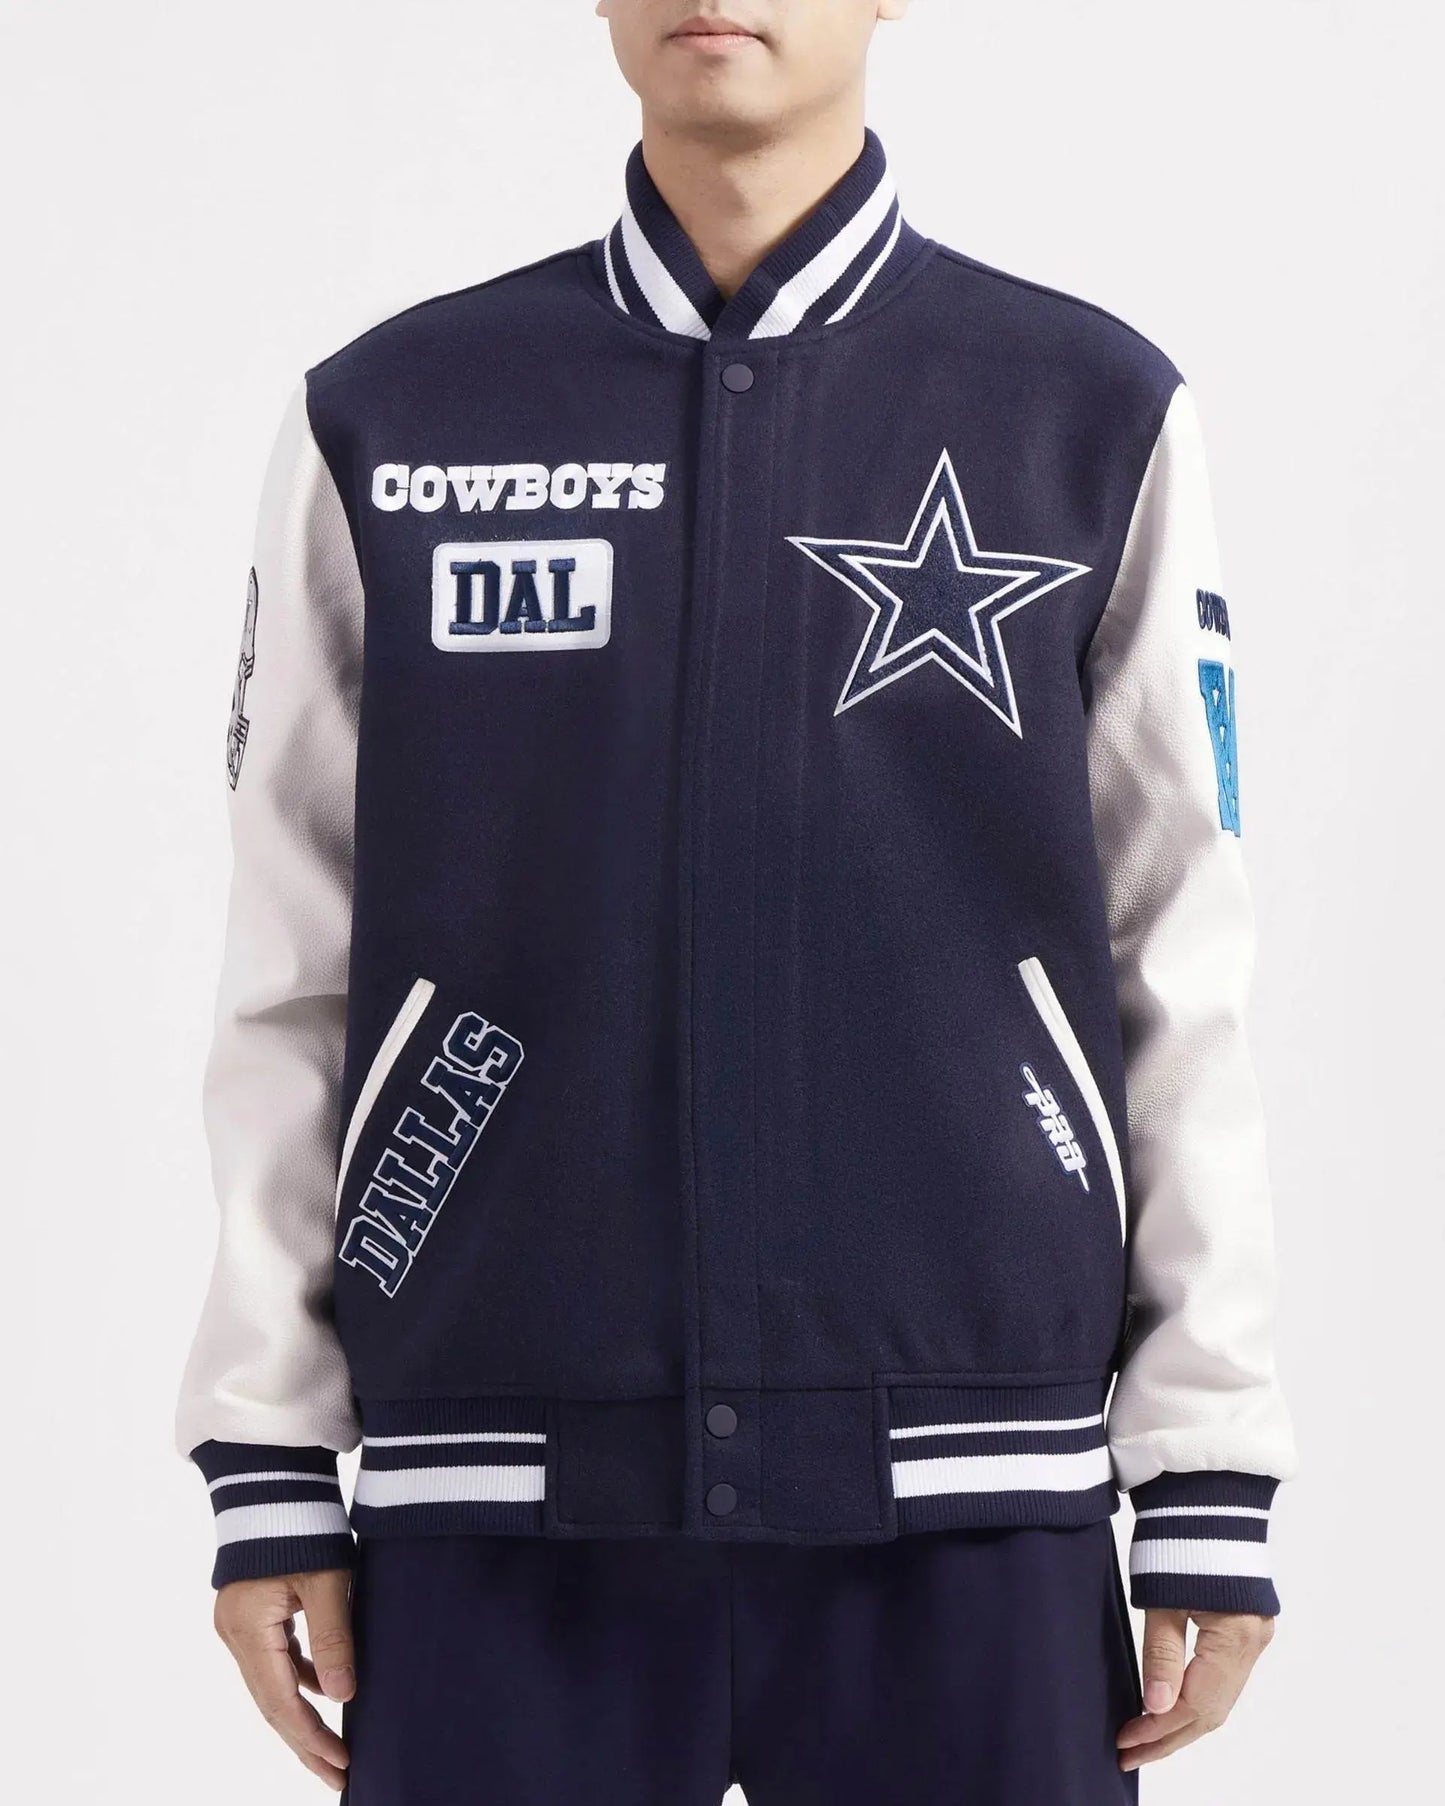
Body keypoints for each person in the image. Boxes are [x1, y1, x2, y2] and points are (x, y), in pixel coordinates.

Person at [178, 3, 1297, 1800]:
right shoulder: (394, 419)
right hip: (497, 1503)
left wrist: (1207, 1456)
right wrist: (268, 1451)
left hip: (971, 1498)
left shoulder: (1085, 412)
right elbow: (289, 961)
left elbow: (1178, 953)